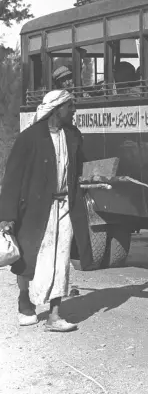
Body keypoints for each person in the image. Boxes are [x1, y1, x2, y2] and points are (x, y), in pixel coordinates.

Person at [0, 90, 94, 331]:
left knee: (60, 260)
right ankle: (25, 303)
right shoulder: (29, 138)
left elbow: (80, 169)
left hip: (65, 207)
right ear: (57, 109)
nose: (74, 110)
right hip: (33, 210)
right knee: (30, 257)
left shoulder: (73, 136)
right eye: (70, 106)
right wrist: (7, 216)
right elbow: (12, 178)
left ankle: (54, 315)